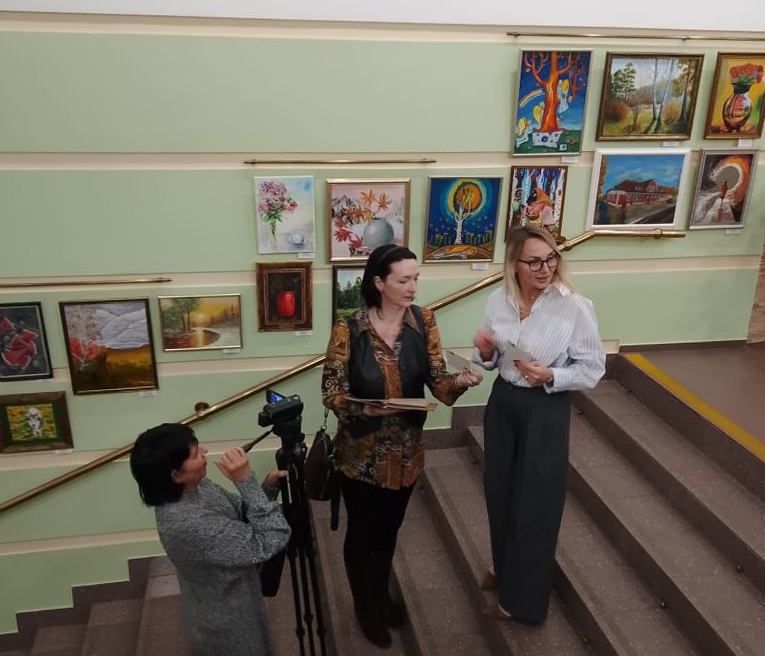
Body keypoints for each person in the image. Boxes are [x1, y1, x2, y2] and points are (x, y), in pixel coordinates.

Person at [322, 244, 483, 648]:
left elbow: (439, 384)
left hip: (407, 454)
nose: (413, 287)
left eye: (416, 279)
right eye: (403, 280)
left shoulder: (424, 321)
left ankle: (380, 594)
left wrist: (460, 383)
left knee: (389, 529)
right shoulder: (348, 327)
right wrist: (363, 407)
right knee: (362, 533)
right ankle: (364, 606)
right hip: (361, 456)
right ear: (379, 283)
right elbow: (331, 392)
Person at [472, 224, 605, 625]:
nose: (545, 268)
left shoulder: (575, 307)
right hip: (504, 402)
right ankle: (506, 569)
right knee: (499, 493)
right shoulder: (498, 300)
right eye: (534, 261)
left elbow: (593, 369)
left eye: (550, 259)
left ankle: (523, 603)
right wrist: (486, 352)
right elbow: (491, 360)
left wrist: (552, 376)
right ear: (514, 264)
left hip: (544, 408)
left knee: (536, 504)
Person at [129, 423, 291, 656]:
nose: (204, 452)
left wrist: (267, 487)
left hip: (236, 596)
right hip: (227, 621)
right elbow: (273, 538)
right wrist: (246, 481)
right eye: (196, 454)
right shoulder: (190, 523)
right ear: (175, 474)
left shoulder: (194, 487)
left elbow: (239, 515)